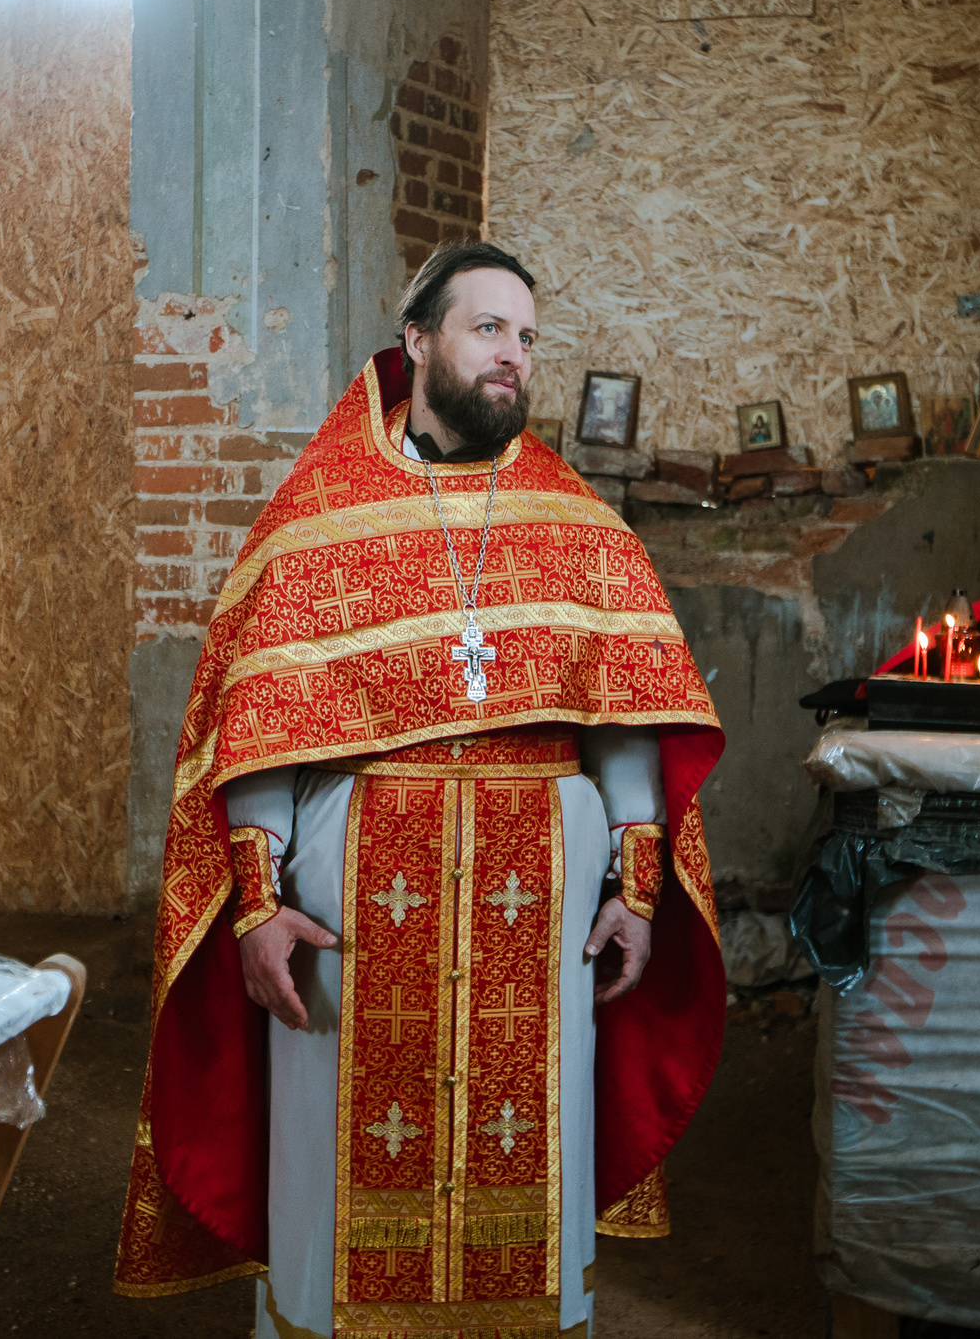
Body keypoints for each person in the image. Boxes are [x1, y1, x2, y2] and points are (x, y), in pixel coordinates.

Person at [113, 241, 728, 1338]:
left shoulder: (576, 525)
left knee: (528, 1166)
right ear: (416, 343)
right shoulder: (320, 519)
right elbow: (259, 729)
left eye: (527, 338)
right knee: (334, 1178)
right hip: (354, 905)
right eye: (487, 329)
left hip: (535, 912)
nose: (512, 358)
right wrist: (254, 906)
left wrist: (636, 889)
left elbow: (623, 712)